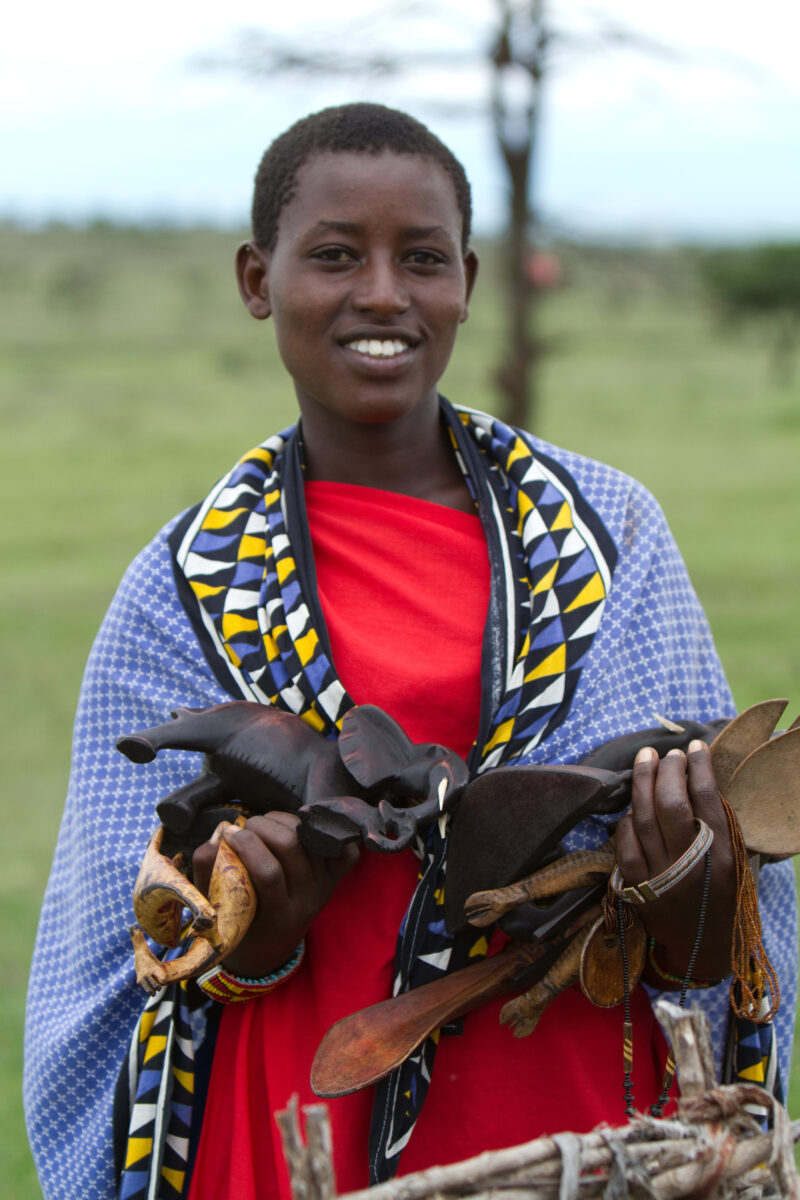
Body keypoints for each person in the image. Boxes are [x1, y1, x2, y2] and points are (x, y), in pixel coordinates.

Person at [24, 104, 797, 1200]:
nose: (381, 292)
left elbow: (720, 916)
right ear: (257, 280)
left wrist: (681, 875)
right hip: (299, 1093)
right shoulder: (188, 587)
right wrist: (248, 930)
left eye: (421, 259)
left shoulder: (600, 537)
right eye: (335, 255)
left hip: (560, 1095)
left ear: (468, 283)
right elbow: (125, 930)